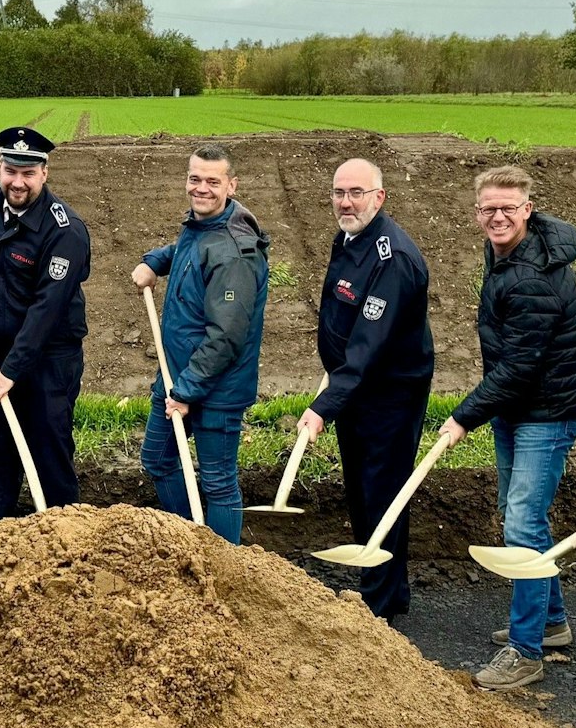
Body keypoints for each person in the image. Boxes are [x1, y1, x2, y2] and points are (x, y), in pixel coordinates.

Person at [439, 166, 576, 691]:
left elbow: (519, 366)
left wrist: (463, 417)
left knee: (522, 527)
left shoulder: (531, 278)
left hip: (545, 411)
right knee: (519, 515)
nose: (498, 217)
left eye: (509, 207)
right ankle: (551, 623)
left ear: (529, 208)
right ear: (477, 211)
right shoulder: (510, 252)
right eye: (489, 209)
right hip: (519, 404)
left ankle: (526, 651)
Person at [297, 158, 433, 620]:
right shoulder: (349, 238)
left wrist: (323, 406)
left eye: (357, 192)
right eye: (339, 192)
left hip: (388, 394)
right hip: (356, 389)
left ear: (380, 196)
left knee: (382, 492)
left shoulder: (392, 259)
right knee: (360, 489)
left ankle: (378, 609)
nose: (346, 201)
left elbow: (368, 348)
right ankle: (389, 593)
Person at [129, 144, 270, 543]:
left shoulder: (235, 253)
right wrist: (156, 260)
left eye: (213, 181)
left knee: (218, 482)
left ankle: (224, 569)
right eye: (195, 179)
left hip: (215, 387)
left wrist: (188, 391)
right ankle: (189, 545)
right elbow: (187, 251)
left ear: (231, 184)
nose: (201, 188)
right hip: (179, 375)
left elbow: (226, 336)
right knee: (157, 458)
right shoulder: (203, 226)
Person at [0, 127, 91, 520]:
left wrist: (11, 372)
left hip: (49, 355)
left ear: (44, 174)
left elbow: (46, 311)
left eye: (27, 173)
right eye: (10, 171)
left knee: (48, 441)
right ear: (0, 168)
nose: (17, 182)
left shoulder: (65, 232)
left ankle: (64, 532)